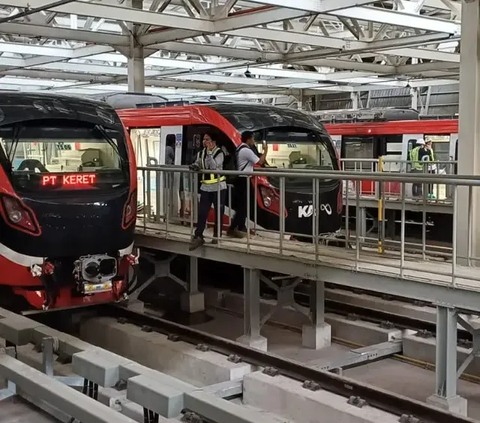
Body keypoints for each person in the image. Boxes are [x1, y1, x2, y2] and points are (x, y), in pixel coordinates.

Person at [189, 133, 227, 250]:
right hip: (205, 187)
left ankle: (217, 236)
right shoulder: (201, 153)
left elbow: (214, 167)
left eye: (207, 139)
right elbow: (199, 162)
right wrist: (195, 166)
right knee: (202, 212)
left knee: (218, 213)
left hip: (219, 187)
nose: (204, 142)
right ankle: (198, 235)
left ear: (214, 142)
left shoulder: (219, 153)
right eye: (203, 139)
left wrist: (210, 153)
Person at [227, 131, 268, 238]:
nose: (254, 141)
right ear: (249, 139)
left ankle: (241, 226)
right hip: (243, 180)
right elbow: (260, 162)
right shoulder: (246, 150)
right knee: (244, 205)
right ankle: (233, 227)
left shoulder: (240, 148)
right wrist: (265, 151)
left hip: (241, 179)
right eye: (253, 139)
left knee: (244, 204)